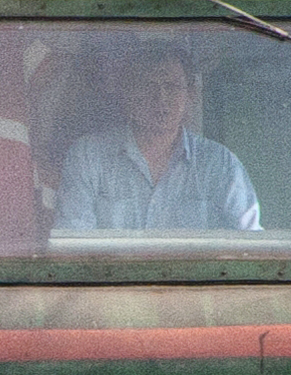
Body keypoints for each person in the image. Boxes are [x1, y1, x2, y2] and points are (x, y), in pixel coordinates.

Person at [54, 40, 260, 234]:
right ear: (128, 93)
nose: (160, 98)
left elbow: (250, 245)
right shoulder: (88, 156)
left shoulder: (220, 163)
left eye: (171, 87)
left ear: (191, 95)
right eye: (148, 86)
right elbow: (74, 242)